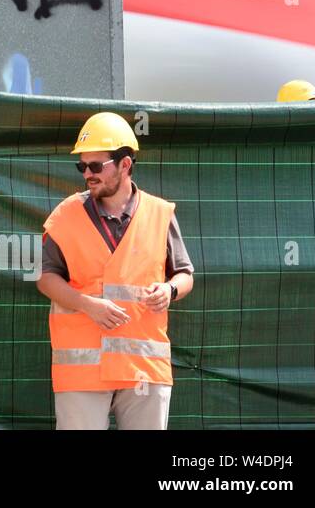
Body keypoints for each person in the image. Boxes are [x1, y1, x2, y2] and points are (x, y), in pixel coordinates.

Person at [36, 112, 195, 430]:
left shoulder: (159, 214)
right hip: (83, 370)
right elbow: (44, 277)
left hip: (143, 368)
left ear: (125, 164)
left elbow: (184, 274)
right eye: (83, 166)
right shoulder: (66, 215)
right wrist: (86, 305)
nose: (88, 174)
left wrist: (169, 290)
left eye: (96, 166)